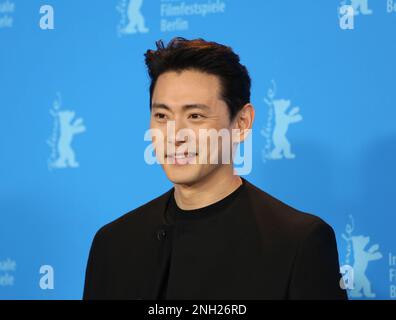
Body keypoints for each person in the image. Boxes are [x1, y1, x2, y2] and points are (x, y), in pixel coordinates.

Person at [83, 37, 348, 300]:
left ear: (242, 123)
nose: (175, 135)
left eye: (195, 116)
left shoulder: (297, 242)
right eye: (162, 116)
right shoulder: (113, 243)